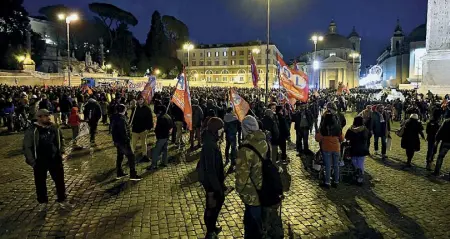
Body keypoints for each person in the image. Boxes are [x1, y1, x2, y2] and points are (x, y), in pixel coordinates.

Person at [23, 109, 73, 211]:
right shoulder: (32, 130)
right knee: (40, 183)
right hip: (40, 161)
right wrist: (32, 162)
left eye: (48, 115)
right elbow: (27, 147)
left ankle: (62, 200)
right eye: (45, 116)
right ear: (39, 117)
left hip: (55, 159)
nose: (48, 117)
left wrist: (62, 152)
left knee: (59, 181)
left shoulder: (54, 127)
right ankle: (42, 202)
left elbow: (61, 139)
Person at [235, 115, 268, 238]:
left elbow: (242, 176)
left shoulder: (245, 149)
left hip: (251, 192)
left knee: (252, 226)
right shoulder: (264, 142)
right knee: (258, 220)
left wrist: (238, 189)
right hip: (264, 187)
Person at [197, 117, 226, 239]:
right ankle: (210, 231)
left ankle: (212, 226)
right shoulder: (209, 145)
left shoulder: (212, 140)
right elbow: (210, 169)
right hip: (211, 183)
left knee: (215, 205)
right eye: (221, 129)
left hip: (214, 181)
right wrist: (217, 187)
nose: (222, 131)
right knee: (212, 206)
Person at [110, 104, 141, 181]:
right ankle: (133, 174)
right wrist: (127, 139)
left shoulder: (115, 117)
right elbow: (123, 132)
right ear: (124, 110)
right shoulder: (121, 119)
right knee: (131, 156)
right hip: (123, 142)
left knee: (120, 156)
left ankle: (119, 172)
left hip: (117, 141)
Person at [315, 112, 344, 188]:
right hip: (336, 148)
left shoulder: (323, 128)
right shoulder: (338, 127)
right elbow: (342, 138)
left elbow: (318, 139)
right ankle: (336, 181)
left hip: (326, 148)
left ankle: (328, 182)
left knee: (327, 166)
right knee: (336, 165)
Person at [345, 116, 370, 184]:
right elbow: (369, 136)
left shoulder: (351, 129)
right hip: (363, 148)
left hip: (354, 147)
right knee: (361, 163)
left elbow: (346, 137)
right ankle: (360, 177)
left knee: (353, 160)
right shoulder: (365, 129)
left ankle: (357, 172)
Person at [129, 96, 153, 162]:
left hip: (143, 129)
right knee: (133, 143)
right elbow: (132, 118)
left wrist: (148, 128)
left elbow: (150, 119)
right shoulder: (135, 109)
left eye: (141, 99)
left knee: (144, 143)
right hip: (135, 129)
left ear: (143, 100)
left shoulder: (147, 109)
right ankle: (131, 156)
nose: (140, 101)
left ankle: (144, 155)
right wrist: (130, 124)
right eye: (139, 99)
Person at [149, 105, 173, 170]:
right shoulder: (168, 116)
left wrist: (156, 132)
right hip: (166, 136)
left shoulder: (161, 118)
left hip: (161, 137)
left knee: (156, 151)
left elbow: (158, 128)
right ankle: (164, 162)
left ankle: (154, 165)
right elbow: (171, 127)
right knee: (165, 150)